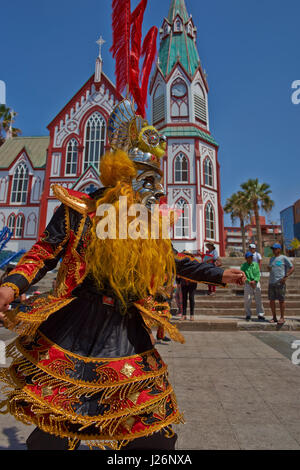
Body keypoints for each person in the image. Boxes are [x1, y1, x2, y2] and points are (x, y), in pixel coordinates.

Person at [268, 243, 294, 325]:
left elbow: (292, 267)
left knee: (281, 300)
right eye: (272, 249)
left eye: (275, 249)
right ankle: (274, 317)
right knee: (271, 301)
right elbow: (271, 269)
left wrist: (286, 276)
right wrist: (269, 269)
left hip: (280, 282)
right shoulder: (271, 259)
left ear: (279, 249)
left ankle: (282, 317)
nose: (273, 250)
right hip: (271, 282)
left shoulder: (283, 258)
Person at [241, 252, 265, 321]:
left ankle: (260, 314)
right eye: (249, 257)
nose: (251, 258)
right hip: (248, 283)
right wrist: (249, 281)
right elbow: (243, 275)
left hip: (256, 282)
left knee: (258, 299)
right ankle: (248, 314)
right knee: (247, 299)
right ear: (246, 258)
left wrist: (255, 281)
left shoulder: (256, 264)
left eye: (251, 257)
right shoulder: (243, 266)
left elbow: (258, 273)